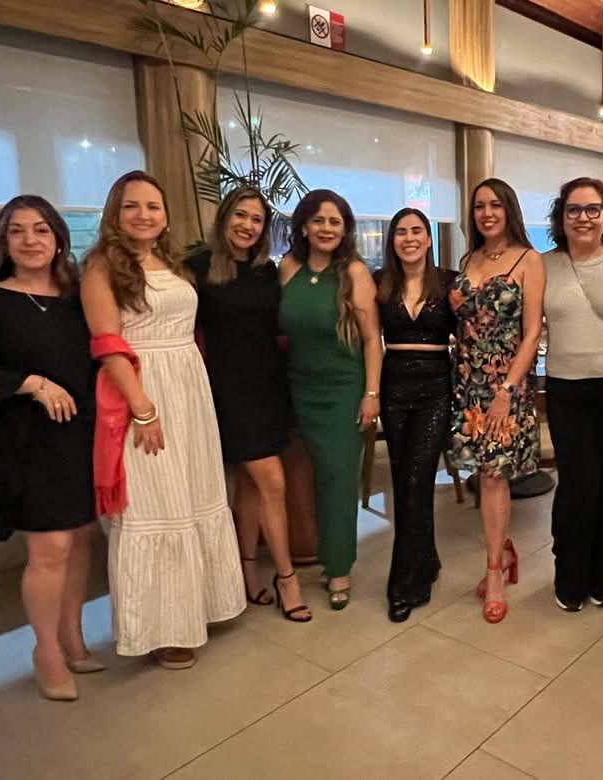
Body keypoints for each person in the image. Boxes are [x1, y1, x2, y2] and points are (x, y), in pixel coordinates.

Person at [80, 171, 245, 670]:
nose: (144, 215)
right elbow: (107, 344)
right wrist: (143, 408)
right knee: (156, 503)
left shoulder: (171, 262)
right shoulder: (101, 267)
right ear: (115, 214)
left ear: (166, 215)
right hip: (144, 390)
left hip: (189, 390)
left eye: (153, 206)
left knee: (193, 494)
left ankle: (201, 604)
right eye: (131, 206)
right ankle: (163, 628)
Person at [0, 196, 100, 700]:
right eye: (17, 231)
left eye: (40, 229)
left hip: (81, 435)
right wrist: (30, 383)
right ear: (3, 242)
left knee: (81, 539)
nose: (30, 240)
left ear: (59, 239)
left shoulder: (77, 298)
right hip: (27, 441)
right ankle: (45, 652)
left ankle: (72, 637)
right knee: (51, 547)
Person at [188, 186, 309, 622]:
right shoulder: (198, 267)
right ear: (225, 218)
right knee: (273, 482)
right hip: (228, 391)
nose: (247, 225)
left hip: (270, 387)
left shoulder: (266, 271)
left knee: (250, 485)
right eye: (240, 215)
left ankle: (248, 572)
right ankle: (287, 578)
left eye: (256, 219)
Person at [279, 189, 382, 610]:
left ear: (345, 230)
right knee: (310, 479)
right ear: (304, 226)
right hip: (298, 388)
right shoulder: (288, 268)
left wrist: (371, 394)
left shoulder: (354, 272)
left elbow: (372, 339)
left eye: (334, 222)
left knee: (338, 479)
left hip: (343, 390)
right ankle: (325, 553)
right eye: (318, 220)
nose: (326, 228)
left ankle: (339, 567)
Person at [450, 178, 544, 624]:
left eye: (495, 205)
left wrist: (506, 390)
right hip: (467, 384)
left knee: (492, 477)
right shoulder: (467, 259)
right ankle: (502, 549)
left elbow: (532, 334)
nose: (486, 213)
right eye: (479, 206)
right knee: (483, 475)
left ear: (509, 210)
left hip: (506, 386)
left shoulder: (528, 260)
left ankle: (494, 573)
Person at [541, 177, 603, 612]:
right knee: (578, 488)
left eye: (592, 209)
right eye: (573, 210)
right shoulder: (544, 265)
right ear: (561, 217)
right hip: (565, 388)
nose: (583, 218)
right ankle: (570, 576)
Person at [374, 208, 458, 623]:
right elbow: (367, 338)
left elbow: (472, 335)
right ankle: (426, 558)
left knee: (417, 480)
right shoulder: (379, 282)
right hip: (393, 389)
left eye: (417, 231)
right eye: (401, 232)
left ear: (428, 239)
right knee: (403, 480)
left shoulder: (449, 282)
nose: (409, 238)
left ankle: (403, 582)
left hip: (435, 391)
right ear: (392, 241)